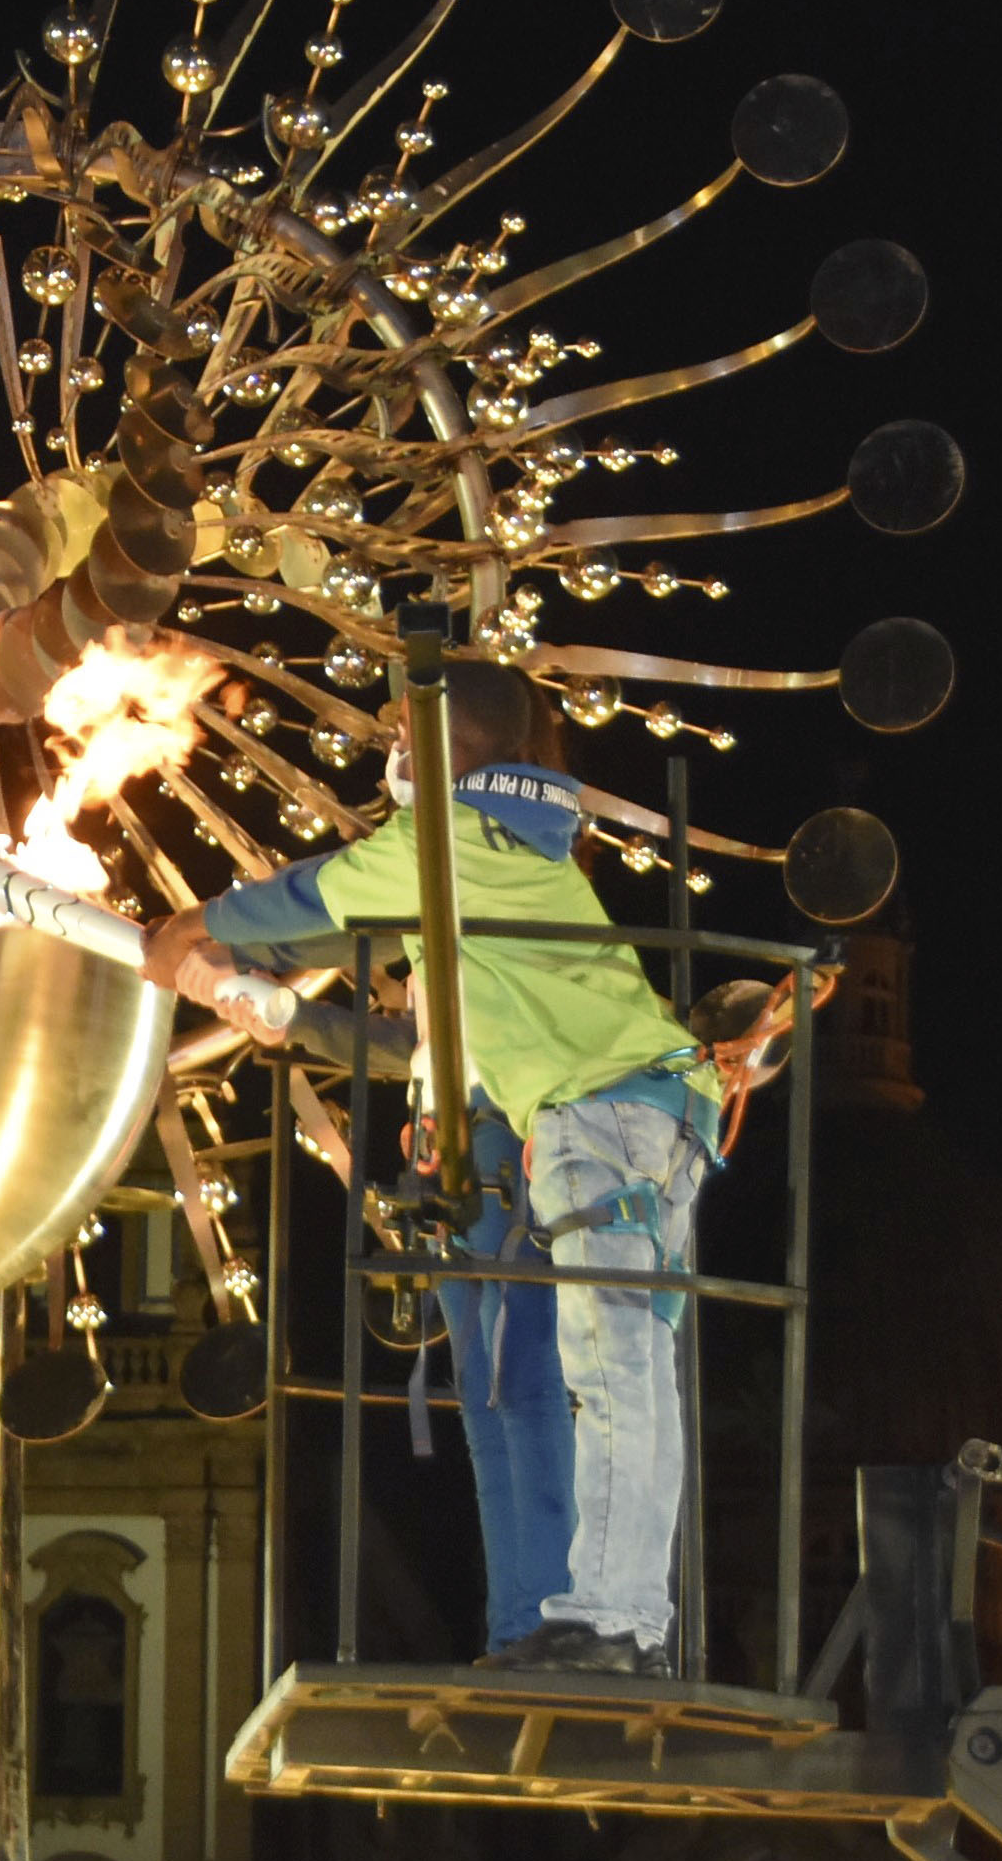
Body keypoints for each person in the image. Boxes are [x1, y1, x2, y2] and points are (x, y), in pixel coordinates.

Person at [144, 660, 719, 1676]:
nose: (393, 754)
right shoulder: (494, 849)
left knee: (608, 1372)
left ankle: (621, 1627)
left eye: (408, 735)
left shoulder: (447, 846)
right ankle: (600, 1616)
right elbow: (339, 931)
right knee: (607, 1372)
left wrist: (194, 931)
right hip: (619, 1112)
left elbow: (310, 895)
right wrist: (255, 982)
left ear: (458, 746)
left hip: (601, 1112)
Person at [234, 972, 577, 1660]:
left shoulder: (491, 908)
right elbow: (419, 1043)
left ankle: (544, 1616)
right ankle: (518, 1623)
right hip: (450, 1137)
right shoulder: (448, 924)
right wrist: (292, 1013)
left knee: (517, 1385)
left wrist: (287, 1006)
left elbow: (433, 1038)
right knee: (486, 1398)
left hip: (492, 1126)